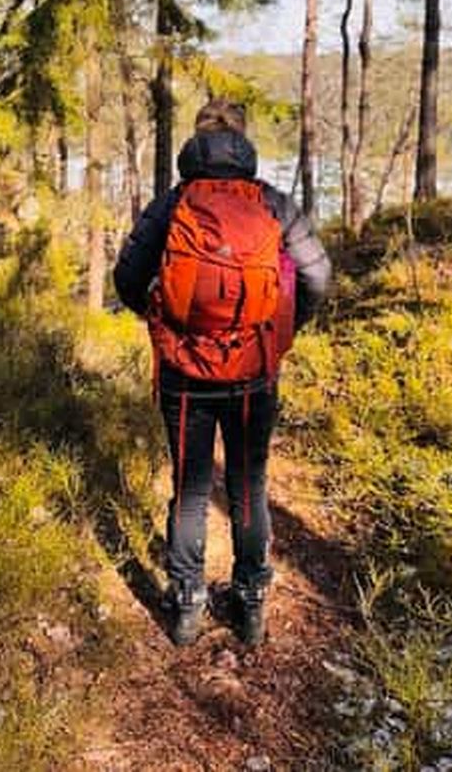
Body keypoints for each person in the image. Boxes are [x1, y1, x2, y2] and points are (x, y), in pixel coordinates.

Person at [113, 99, 330, 646]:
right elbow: (318, 277)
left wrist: (166, 322)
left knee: (189, 489)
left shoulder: (172, 204)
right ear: (243, 141)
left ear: (196, 140)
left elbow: (127, 278)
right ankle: (251, 603)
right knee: (248, 486)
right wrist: (280, 329)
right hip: (255, 372)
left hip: (185, 374)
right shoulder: (272, 203)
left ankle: (186, 604)